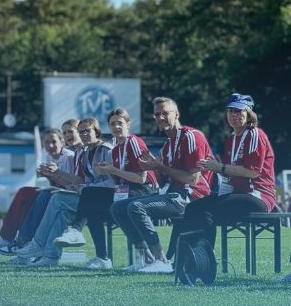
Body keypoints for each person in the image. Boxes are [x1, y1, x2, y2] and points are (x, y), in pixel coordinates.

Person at [177, 93, 277, 284]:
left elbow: (253, 172)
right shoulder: (232, 138)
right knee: (194, 208)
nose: (234, 115)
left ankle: (202, 263)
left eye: (238, 111)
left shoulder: (254, 134)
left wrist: (220, 168)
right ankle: (194, 262)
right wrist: (218, 170)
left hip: (258, 196)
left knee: (205, 209)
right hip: (239, 194)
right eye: (230, 111)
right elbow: (234, 175)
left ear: (248, 113)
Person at [113, 97, 212, 273]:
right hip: (174, 194)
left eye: (165, 113)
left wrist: (159, 166)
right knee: (118, 208)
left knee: (136, 207)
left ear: (177, 114)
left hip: (193, 196)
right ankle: (146, 259)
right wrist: (152, 168)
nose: (160, 117)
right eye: (157, 114)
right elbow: (164, 179)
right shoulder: (167, 146)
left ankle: (161, 260)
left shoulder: (191, 137)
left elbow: (192, 179)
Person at [53, 108, 158, 269]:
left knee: (87, 196)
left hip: (143, 190)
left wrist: (107, 174)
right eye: (112, 124)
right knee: (91, 209)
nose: (116, 127)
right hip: (124, 190)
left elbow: (139, 178)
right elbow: (111, 180)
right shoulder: (112, 149)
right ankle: (103, 257)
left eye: (119, 123)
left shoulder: (128, 143)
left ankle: (74, 231)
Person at [15, 117, 114, 267]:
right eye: (81, 132)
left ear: (97, 131)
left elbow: (110, 181)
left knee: (53, 198)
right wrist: (62, 180)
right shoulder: (86, 153)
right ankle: (50, 256)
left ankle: (37, 244)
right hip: (89, 197)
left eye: (87, 131)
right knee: (56, 204)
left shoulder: (100, 150)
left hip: (104, 199)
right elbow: (85, 182)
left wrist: (58, 174)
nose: (83, 135)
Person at [0, 128, 74, 256]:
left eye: (54, 142)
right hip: (53, 193)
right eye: (47, 142)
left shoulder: (69, 157)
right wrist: (43, 176)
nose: (50, 145)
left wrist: (53, 176)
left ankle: (21, 241)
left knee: (39, 196)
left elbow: (72, 185)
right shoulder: (47, 157)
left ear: (62, 142)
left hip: (64, 196)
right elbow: (48, 183)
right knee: (24, 192)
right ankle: (6, 238)